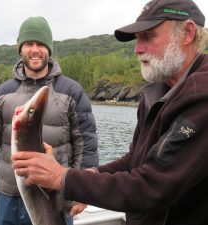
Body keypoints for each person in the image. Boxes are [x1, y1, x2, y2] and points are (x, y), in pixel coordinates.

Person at [11, 0, 208, 224]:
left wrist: (62, 177)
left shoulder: (201, 97)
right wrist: (84, 180)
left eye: (148, 36)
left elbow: (153, 187)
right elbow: (134, 161)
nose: (137, 48)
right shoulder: (160, 91)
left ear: (187, 33)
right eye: (137, 39)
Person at [0, 16, 99, 225]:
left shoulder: (71, 91)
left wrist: (80, 189)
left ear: (49, 49)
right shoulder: (4, 92)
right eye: (29, 44)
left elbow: (87, 146)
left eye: (41, 44)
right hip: (10, 195)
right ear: (20, 49)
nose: (35, 50)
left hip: (54, 196)